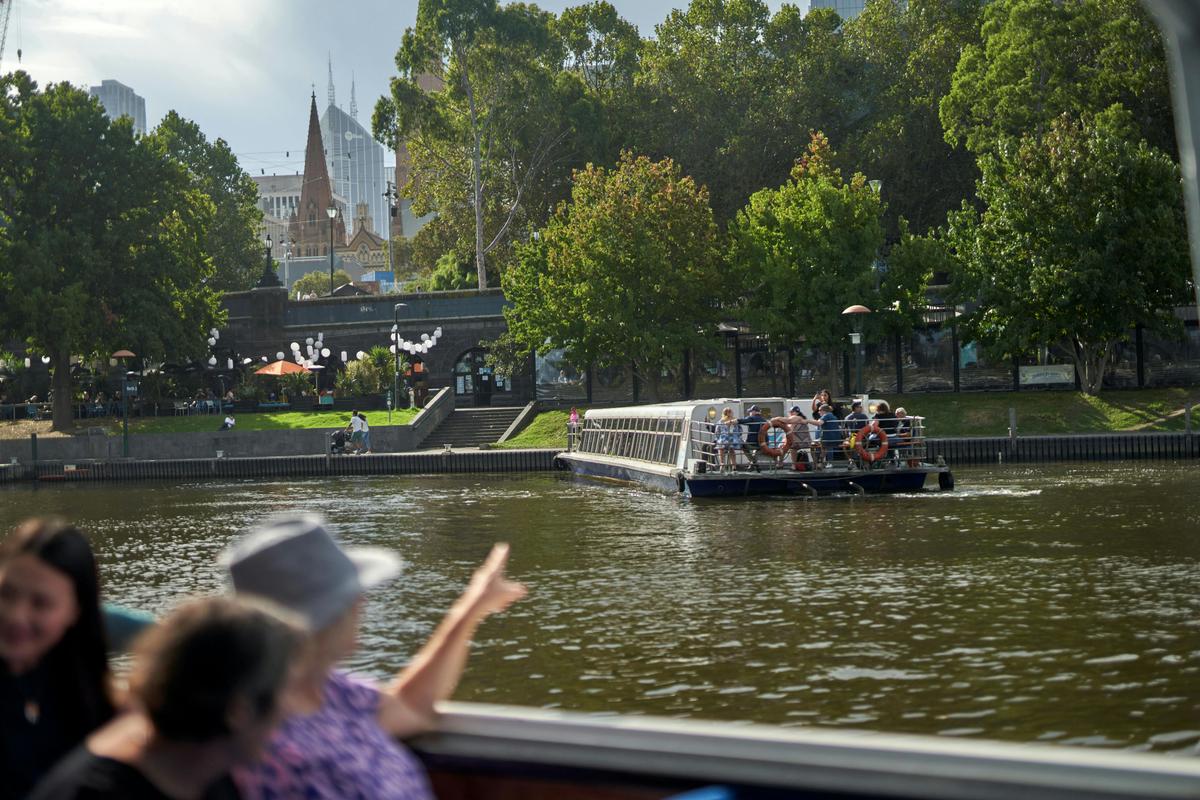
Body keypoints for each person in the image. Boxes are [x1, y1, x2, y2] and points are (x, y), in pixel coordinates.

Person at [224, 514, 526, 800]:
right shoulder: (270, 743)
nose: (362, 601)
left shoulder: (331, 692)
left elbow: (412, 707)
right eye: (351, 594)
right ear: (322, 620)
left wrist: (474, 605)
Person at [30, 596, 305, 800]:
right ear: (237, 712)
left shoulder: (208, 772)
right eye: (286, 693)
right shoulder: (97, 793)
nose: (292, 709)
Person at [0, 518, 115, 800]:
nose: (16, 616)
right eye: (6, 594)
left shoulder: (90, 694)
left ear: (75, 612)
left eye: (40, 603)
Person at [736, 405, 769, 473]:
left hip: (753, 443)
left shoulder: (752, 418)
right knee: (755, 452)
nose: (749, 413)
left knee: (743, 445)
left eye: (750, 411)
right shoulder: (764, 420)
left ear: (754, 412)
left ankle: (754, 463)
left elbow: (744, 421)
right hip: (764, 443)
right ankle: (752, 465)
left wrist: (735, 421)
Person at [713, 408, 740, 473]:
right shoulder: (735, 421)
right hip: (733, 440)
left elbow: (717, 432)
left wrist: (718, 438)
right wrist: (737, 437)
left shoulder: (720, 421)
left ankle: (722, 465)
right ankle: (734, 466)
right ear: (731, 413)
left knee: (721, 448)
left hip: (723, 440)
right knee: (731, 450)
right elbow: (740, 431)